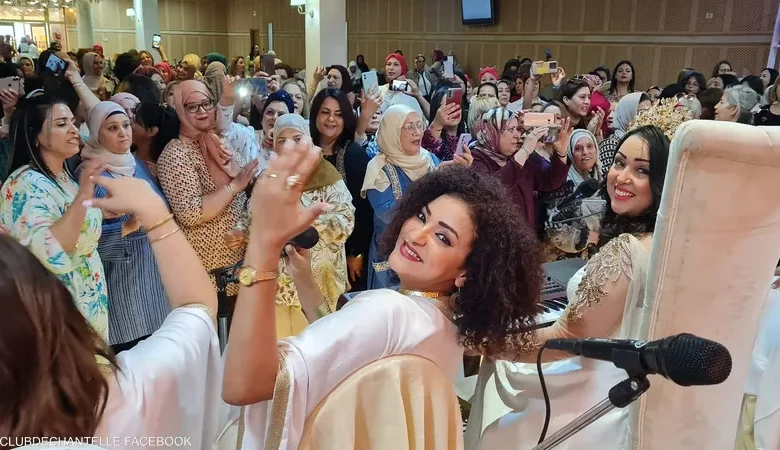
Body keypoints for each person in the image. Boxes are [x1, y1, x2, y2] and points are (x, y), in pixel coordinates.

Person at [222, 148, 545, 449]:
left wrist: (262, 245)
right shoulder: (446, 329)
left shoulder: (389, 311)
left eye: (443, 237)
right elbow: (349, 351)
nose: (417, 235)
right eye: (422, 216)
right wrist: (304, 278)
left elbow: (246, 385)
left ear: (467, 272)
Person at [473, 125, 671, 450]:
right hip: (630, 384)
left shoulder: (628, 249)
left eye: (642, 171)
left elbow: (567, 338)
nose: (622, 177)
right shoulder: (668, 241)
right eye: (619, 163)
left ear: (664, 180)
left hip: (596, 397)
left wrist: (487, 344)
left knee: (498, 394)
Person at [228, 114, 355, 337]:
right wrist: (240, 231)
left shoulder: (327, 175)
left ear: (308, 140)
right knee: (280, 349)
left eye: (297, 138)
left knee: (317, 346)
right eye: (282, 140)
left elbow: (345, 222)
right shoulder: (268, 178)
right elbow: (251, 216)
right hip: (275, 286)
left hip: (315, 286)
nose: (290, 146)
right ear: (274, 146)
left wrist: (305, 222)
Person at [0, 92, 108, 340]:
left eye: (72, 122)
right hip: (58, 303)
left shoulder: (64, 177)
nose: (73, 130)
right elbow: (51, 251)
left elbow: (81, 229)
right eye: (61, 124)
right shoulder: (26, 183)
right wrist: (85, 193)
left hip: (89, 296)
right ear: (35, 135)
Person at [77, 101, 171, 352]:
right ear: (96, 134)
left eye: (126, 125)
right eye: (112, 128)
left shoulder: (135, 164)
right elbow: (85, 240)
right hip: (122, 288)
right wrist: (127, 228)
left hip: (153, 283)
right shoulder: (91, 176)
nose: (122, 133)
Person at [157, 80, 258, 292]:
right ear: (179, 110)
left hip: (241, 264)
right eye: (192, 107)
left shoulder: (217, 141)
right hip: (211, 271)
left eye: (206, 103)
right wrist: (235, 186)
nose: (202, 111)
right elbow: (190, 213)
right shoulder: (175, 154)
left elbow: (244, 185)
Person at [598, 92, 652, 175]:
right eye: (642, 112)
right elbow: (608, 179)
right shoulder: (611, 144)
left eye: (650, 112)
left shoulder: (648, 143)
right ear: (627, 114)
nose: (648, 117)